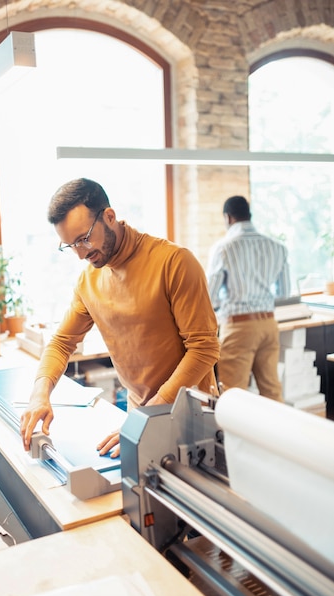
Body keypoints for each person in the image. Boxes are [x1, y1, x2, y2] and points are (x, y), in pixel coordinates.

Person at [20, 178, 220, 457]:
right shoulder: (88, 281)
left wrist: (149, 415)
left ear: (109, 217)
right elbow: (61, 343)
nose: (80, 254)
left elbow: (204, 348)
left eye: (84, 239)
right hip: (140, 413)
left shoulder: (174, 262)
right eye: (70, 245)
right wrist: (39, 393)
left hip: (192, 414)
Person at [206, 195, 291, 402]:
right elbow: (285, 293)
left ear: (228, 217)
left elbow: (210, 296)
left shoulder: (224, 248)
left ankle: (235, 436)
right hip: (268, 324)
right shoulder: (277, 247)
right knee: (272, 391)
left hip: (238, 327)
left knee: (234, 395)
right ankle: (274, 435)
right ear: (248, 215)